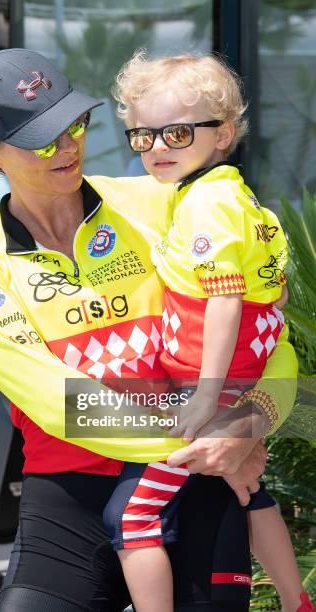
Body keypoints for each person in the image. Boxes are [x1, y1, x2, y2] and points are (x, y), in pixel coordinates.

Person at [0, 49, 297, 612]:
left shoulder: (163, 198)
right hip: (71, 489)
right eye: (42, 139)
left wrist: (246, 424)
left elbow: (271, 341)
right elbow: (57, 400)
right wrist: (210, 440)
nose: (69, 146)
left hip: (193, 482)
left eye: (74, 124)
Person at [102, 51, 313, 612]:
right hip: (232, 379)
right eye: (141, 136)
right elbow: (276, 290)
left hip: (207, 384)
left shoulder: (206, 206)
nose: (156, 149)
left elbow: (224, 300)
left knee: (133, 515)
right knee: (245, 486)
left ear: (223, 134)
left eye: (174, 132)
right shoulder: (234, 194)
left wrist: (205, 395)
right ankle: (297, 602)